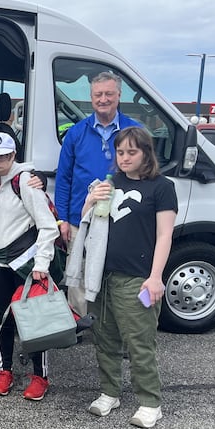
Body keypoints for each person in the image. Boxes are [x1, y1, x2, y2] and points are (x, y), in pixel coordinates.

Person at [82, 126, 176, 429]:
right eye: (120, 152)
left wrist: (156, 277)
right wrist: (90, 200)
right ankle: (110, 392)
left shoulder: (162, 187)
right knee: (104, 339)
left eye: (131, 152)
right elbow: (87, 223)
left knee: (139, 342)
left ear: (146, 153)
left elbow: (164, 235)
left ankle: (150, 402)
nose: (124, 158)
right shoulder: (109, 183)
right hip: (103, 276)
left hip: (137, 278)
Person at [0, 131, 59, 401]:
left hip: (27, 264)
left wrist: (42, 263)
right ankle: (4, 371)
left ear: (14, 154)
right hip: (0, 263)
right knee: (1, 318)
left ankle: (40, 376)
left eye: (3, 155)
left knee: (35, 320)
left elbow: (48, 225)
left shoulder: (24, 181)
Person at [55, 71, 141, 316]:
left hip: (122, 220)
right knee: (78, 279)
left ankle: (110, 329)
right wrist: (63, 220)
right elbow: (64, 179)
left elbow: (146, 176)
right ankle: (80, 325)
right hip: (80, 221)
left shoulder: (135, 131)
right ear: (91, 97)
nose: (103, 99)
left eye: (109, 94)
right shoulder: (76, 133)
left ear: (119, 95)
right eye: (98, 94)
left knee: (117, 278)